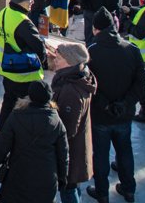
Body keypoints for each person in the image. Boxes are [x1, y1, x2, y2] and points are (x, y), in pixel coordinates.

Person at [85, 7, 145, 203]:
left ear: (96, 29)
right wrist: (125, 104)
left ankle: (102, 192)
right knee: (125, 151)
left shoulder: (92, 52)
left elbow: (89, 84)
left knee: (100, 155)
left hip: (101, 115)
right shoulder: (132, 50)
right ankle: (129, 189)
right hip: (124, 114)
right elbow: (141, 83)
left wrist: (105, 105)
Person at [0, 80, 68, 203]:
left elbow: (3, 143)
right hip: (47, 178)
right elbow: (63, 153)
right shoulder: (56, 121)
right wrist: (63, 177)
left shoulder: (16, 115)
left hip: (18, 174)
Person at [48, 42, 96, 203]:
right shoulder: (79, 78)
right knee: (73, 188)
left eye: (59, 58)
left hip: (71, 153)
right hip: (78, 150)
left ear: (70, 62)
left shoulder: (71, 90)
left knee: (68, 190)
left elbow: (67, 129)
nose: (55, 61)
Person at [0, 0, 45, 133]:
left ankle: (2, 135)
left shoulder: (3, 13)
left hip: (7, 69)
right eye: (30, 0)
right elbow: (39, 48)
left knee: (8, 104)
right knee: (26, 110)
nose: (32, 3)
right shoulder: (24, 22)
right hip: (24, 74)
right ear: (21, 1)